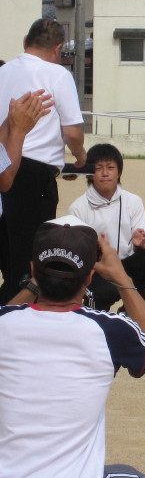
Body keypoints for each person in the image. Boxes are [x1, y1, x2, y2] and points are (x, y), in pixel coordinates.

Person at [0, 215, 145, 478]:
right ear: (89, 277)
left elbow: (9, 313)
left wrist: (35, 284)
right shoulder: (108, 329)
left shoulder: (5, 323)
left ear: (33, 270)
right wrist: (123, 278)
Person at [0, 18, 87, 302]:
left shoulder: (4, 71)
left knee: (9, 260)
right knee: (29, 265)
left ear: (26, 41)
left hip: (3, 163)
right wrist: (80, 156)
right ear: (58, 48)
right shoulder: (57, 74)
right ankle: (15, 321)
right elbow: (72, 131)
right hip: (34, 172)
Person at [68, 144, 145, 312]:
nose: (105, 173)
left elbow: (143, 247)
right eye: (98, 168)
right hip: (96, 271)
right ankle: (95, 309)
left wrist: (141, 244)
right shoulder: (78, 208)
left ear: (119, 172)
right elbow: (76, 256)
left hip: (125, 266)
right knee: (104, 297)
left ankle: (130, 310)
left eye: (110, 168)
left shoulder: (133, 201)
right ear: (90, 174)